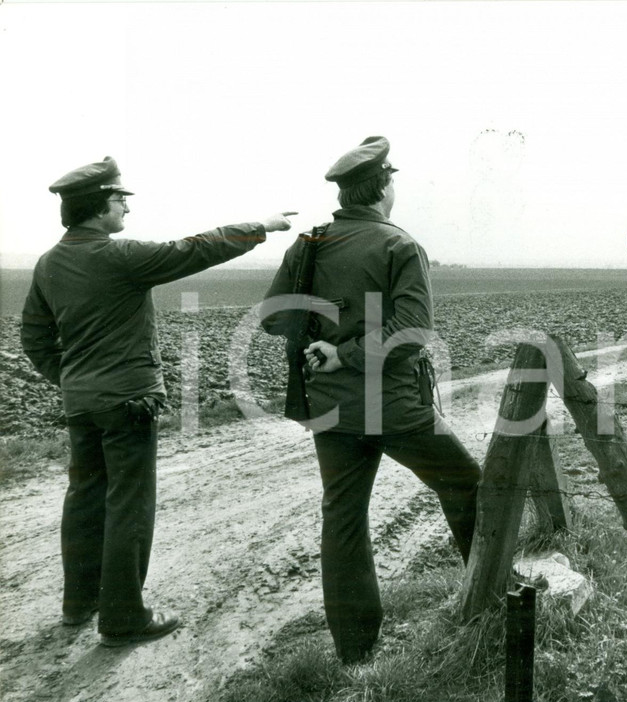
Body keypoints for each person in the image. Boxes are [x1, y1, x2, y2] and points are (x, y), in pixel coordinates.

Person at [21, 156, 296, 647]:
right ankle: (124, 617)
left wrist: (70, 379)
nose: (126, 205)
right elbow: (194, 250)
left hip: (81, 403)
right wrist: (261, 226)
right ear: (99, 206)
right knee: (128, 503)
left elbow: (35, 337)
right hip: (128, 401)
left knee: (84, 500)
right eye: (120, 198)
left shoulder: (48, 263)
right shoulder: (118, 255)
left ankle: (79, 603)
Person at [260, 136, 481, 665]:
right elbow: (414, 330)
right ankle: (492, 601)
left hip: (333, 411)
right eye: (393, 181)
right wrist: (348, 352)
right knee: (469, 486)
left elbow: (273, 318)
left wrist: (324, 333)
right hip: (394, 405)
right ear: (383, 186)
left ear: (344, 192)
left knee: (343, 518)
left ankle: (355, 652)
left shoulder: (309, 244)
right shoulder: (398, 246)